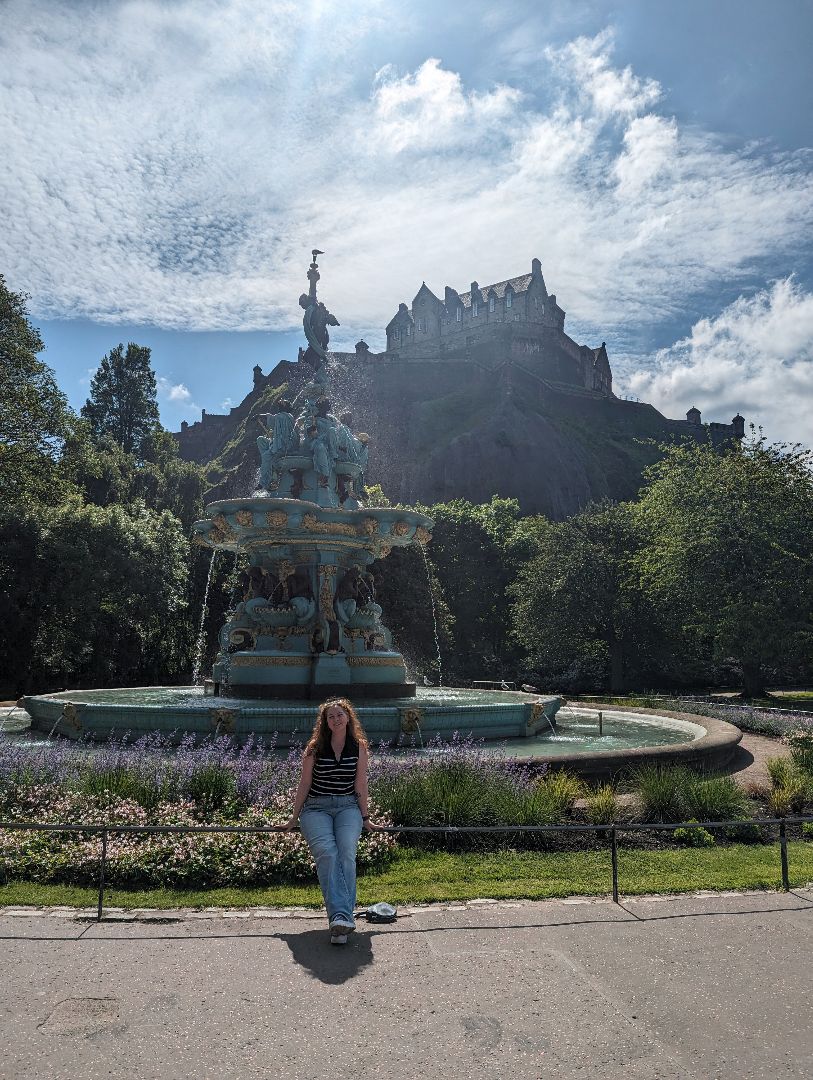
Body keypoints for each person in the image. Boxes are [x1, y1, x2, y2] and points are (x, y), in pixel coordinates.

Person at [284, 698, 379, 945]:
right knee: (327, 852)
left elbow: (360, 783)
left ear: (348, 717)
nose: (335, 720)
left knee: (346, 852)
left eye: (339, 715)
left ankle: (340, 923)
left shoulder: (358, 747)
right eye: (330, 717)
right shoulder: (314, 748)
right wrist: (294, 817)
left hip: (347, 806)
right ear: (325, 722)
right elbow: (304, 784)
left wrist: (365, 815)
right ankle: (341, 918)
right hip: (316, 807)